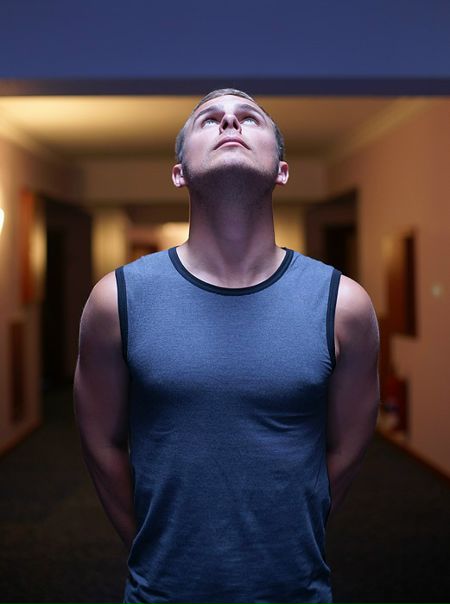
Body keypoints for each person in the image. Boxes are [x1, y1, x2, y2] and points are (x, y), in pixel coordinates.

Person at [74, 88, 380, 604]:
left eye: (249, 118)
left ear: (282, 171)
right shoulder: (116, 299)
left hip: (297, 592)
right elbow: (100, 443)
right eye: (209, 118)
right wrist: (154, 551)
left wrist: (289, 536)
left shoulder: (344, 304)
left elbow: (347, 449)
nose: (230, 122)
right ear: (179, 173)